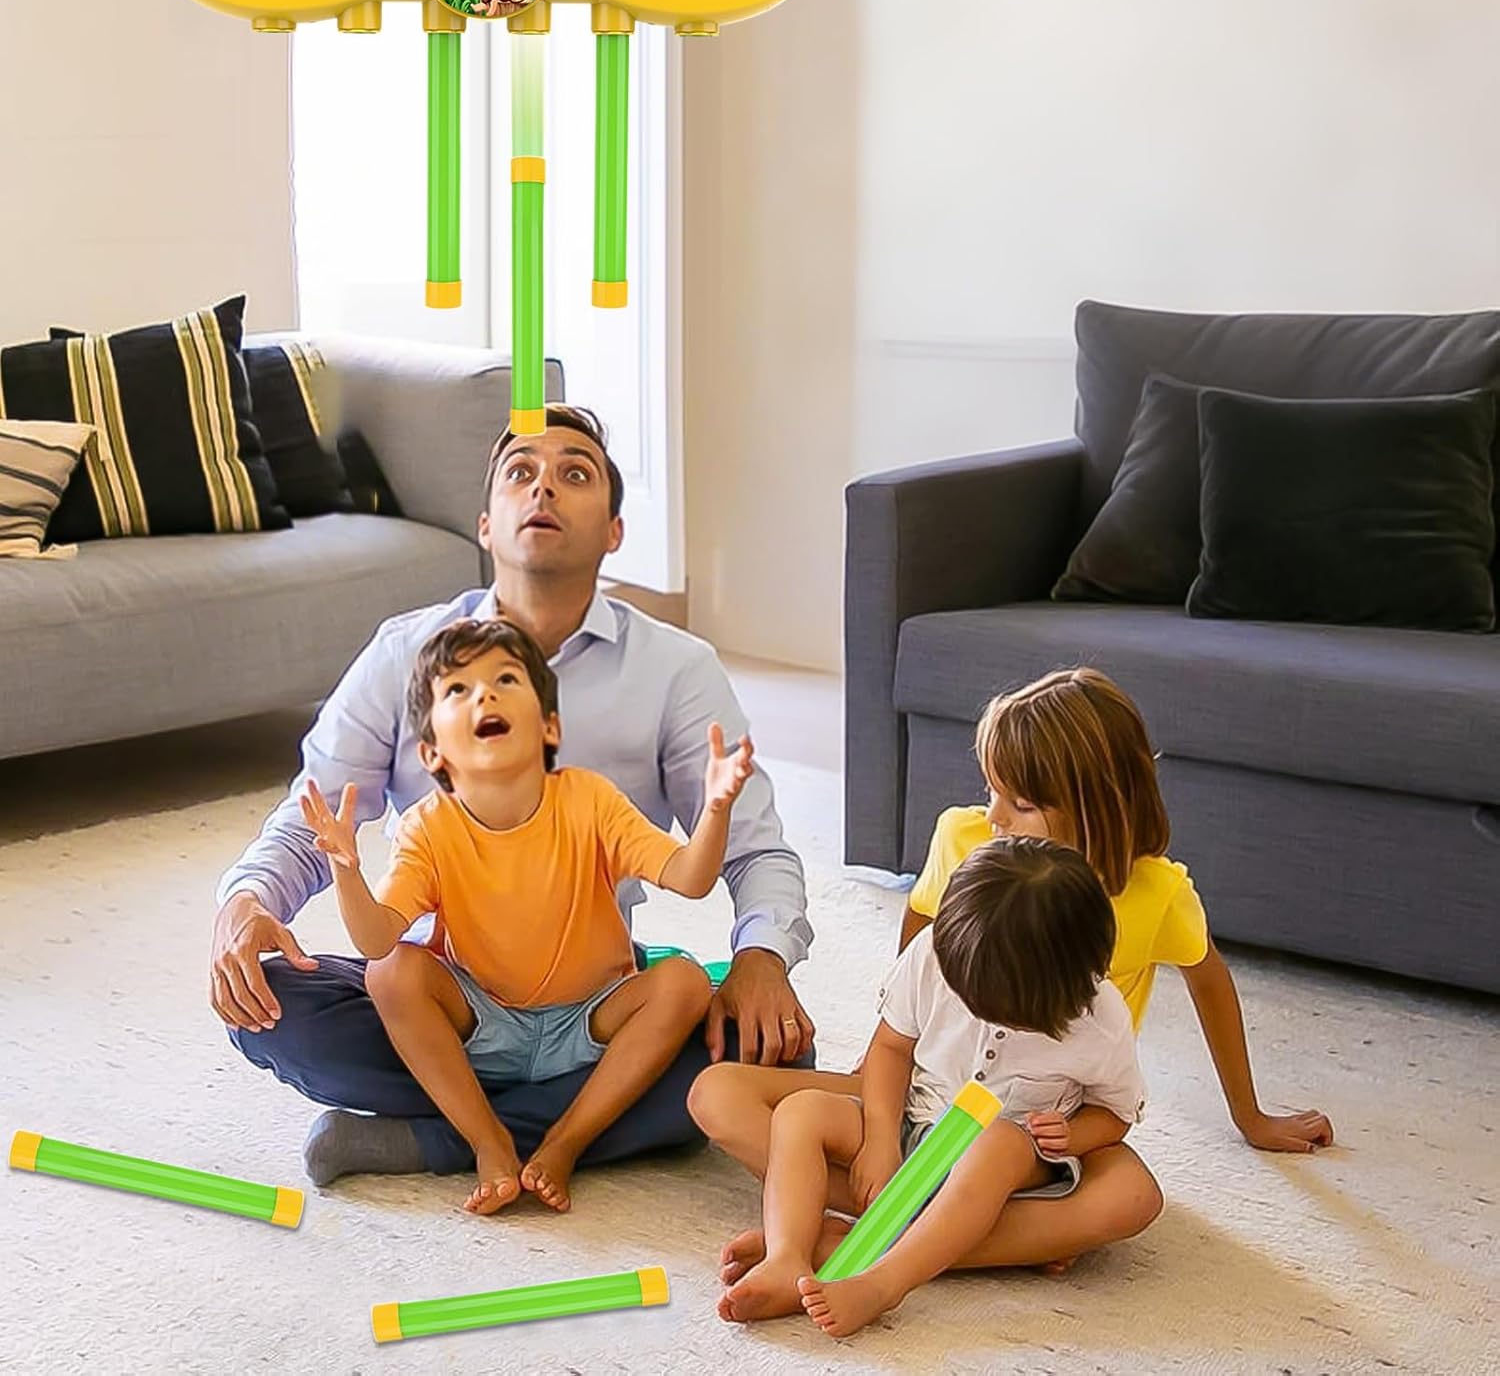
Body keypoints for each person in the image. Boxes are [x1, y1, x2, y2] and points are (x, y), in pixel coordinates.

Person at [211, 404, 815, 1187]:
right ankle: (586, 1119)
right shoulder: (402, 654)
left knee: (777, 1049)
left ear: (615, 531)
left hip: (592, 1005)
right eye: (521, 472)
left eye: (575, 473)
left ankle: (439, 1138)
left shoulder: (676, 670)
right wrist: (247, 901)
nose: (544, 488)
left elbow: (753, 850)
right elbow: (312, 822)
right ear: (486, 525)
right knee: (266, 1003)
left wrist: (762, 958)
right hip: (446, 1001)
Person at [300, 616, 754, 1214]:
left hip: (593, 1019)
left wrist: (715, 811)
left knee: (687, 983)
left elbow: (691, 879)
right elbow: (377, 940)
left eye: (505, 680)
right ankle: (486, 1140)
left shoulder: (591, 799)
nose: (484, 696)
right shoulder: (427, 827)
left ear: (549, 726)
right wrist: (345, 870)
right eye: (457, 689)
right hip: (481, 1022)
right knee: (387, 974)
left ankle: (564, 1143)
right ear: (431, 752)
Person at [689, 838, 1147, 1336]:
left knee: (1131, 1193)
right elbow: (891, 1049)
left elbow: (1115, 1114)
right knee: (786, 1108)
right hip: (913, 1118)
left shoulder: (1101, 1019)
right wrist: (881, 1139)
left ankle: (880, 1274)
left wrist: (1073, 1136)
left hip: (1011, 1159)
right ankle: (789, 1255)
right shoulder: (936, 951)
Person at [901, 666, 1334, 1154]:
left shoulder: (1156, 894)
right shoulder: (964, 839)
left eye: (1020, 804)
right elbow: (922, 922)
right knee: (836, 1116)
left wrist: (1250, 1117)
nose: (994, 817)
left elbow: (1209, 980)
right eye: (990, 790)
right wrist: (893, 1042)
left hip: (1054, 1120)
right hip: (944, 1086)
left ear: (1094, 807)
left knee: (1126, 1187)